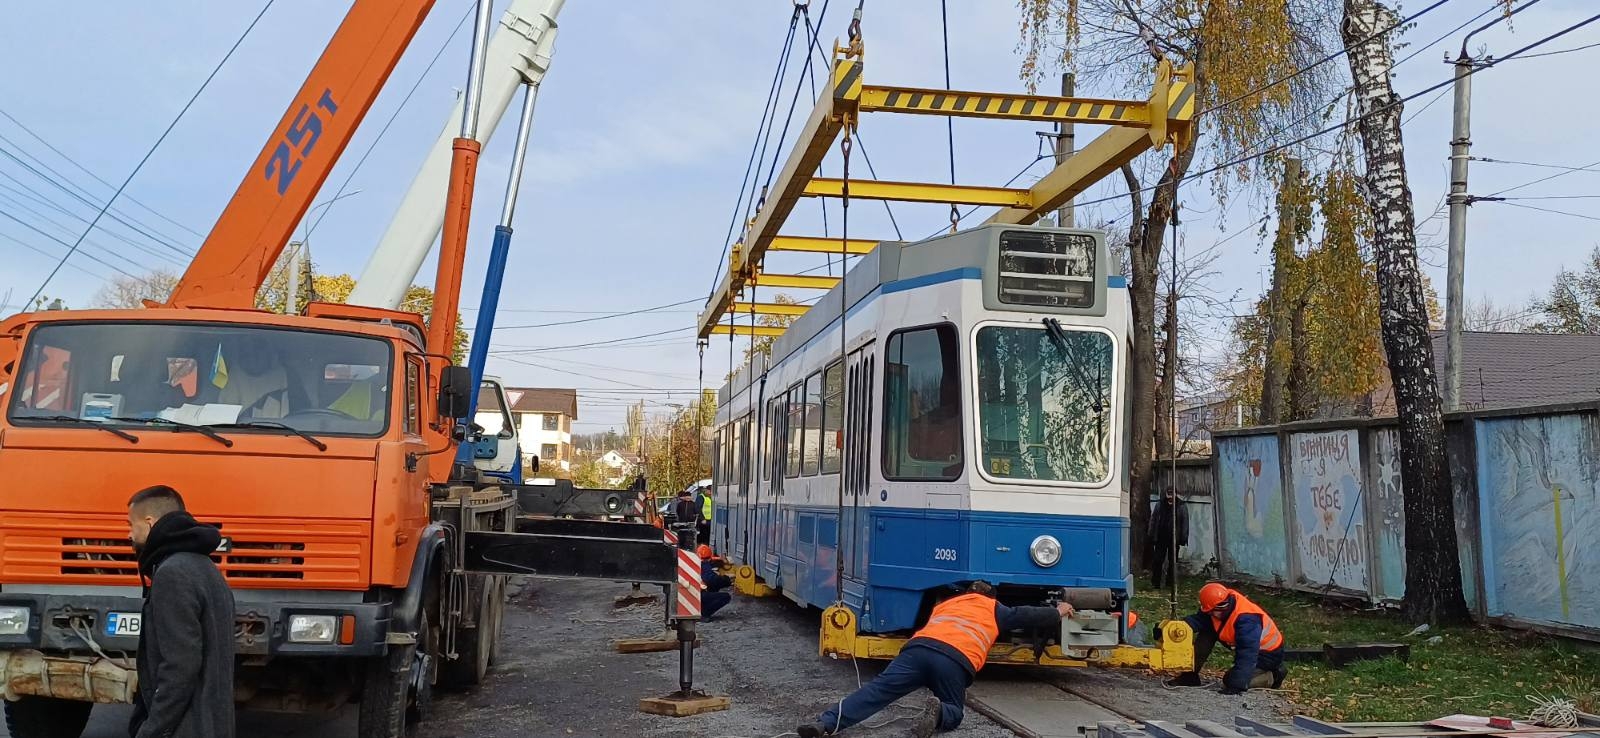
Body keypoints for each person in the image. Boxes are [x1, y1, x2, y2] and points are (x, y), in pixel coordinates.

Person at [797, 581, 1074, 737]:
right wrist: (1059, 611)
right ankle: (940, 711)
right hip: (954, 661)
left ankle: (826, 723)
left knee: (876, 691)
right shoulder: (995, 608)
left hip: (917, 651)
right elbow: (1026, 615)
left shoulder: (946, 604)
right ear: (991, 597)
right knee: (954, 708)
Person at [126, 485, 236, 738]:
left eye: (131, 525)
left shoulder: (172, 574)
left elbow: (179, 665)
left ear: (150, 522)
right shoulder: (204, 567)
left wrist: (153, 730)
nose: (129, 534)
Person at [1173, 583, 1286, 695]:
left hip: (1268, 656)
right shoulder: (1216, 605)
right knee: (1207, 631)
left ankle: (1273, 676)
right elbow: (1199, 620)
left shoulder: (1246, 620)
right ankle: (1189, 675)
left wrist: (1237, 684)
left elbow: (1248, 652)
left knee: (1230, 680)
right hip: (1252, 648)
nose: (1213, 615)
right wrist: (1172, 630)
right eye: (1210, 612)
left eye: (1217, 610)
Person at [1149, 488, 1190, 590]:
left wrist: (1183, 537)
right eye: (1169, 494)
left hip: (1174, 538)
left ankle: (1170, 582)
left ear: (1176, 494)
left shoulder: (1181, 506)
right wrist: (1151, 534)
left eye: (1172, 494)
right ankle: (1156, 582)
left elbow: (1185, 522)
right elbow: (1153, 519)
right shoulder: (1160, 505)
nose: (1170, 497)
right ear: (1166, 494)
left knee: (1173, 561)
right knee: (1158, 560)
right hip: (1160, 537)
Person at [697, 544, 733, 621]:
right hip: (701, 595)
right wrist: (727, 580)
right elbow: (711, 580)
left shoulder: (694, 562)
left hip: (693, 594)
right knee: (726, 597)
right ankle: (704, 613)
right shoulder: (705, 565)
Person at [693, 481, 713, 545]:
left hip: (710, 520)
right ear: (707, 490)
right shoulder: (701, 497)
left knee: (708, 537)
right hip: (704, 521)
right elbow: (697, 508)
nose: (711, 493)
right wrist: (702, 518)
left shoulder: (711, 497)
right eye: (710, 491)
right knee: (704, 536)